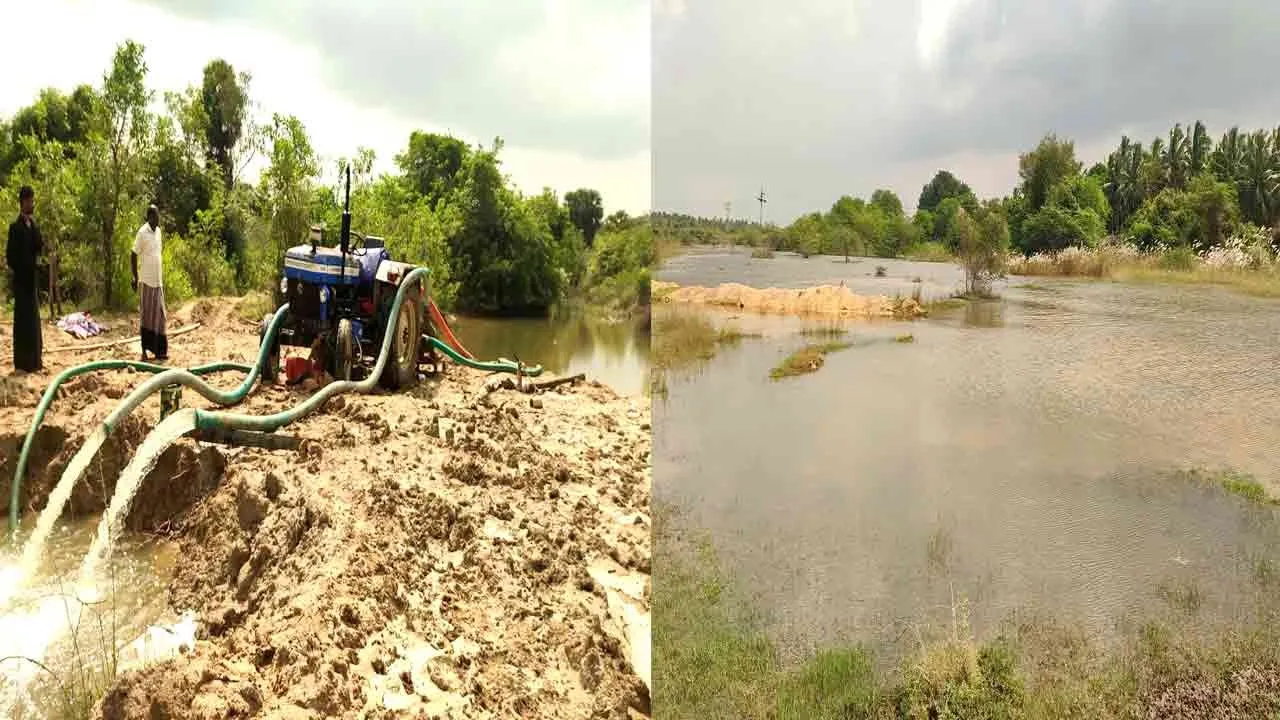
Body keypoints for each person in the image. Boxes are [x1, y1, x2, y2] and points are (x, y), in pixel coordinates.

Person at [6, 186, 44, 373]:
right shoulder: (15, 228)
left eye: (32, 200)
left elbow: (39, 247)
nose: (32, 204)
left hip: (32, 282)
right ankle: (22, 363)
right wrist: (23, 269)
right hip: (21, 283)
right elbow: (10, 257)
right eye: (29, 201)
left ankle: (35, 361)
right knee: (22, 322)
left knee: (33, 321)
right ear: (22, 203)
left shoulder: (33, 225)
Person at [131, 204, 168, 361]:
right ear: (150, 217)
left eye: (159, 215)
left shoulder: (158, 232)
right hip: (146, 282)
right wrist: (134, 277)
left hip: (158, 281)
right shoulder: (142, 232)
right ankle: (144, 352)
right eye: (156, 216)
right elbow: (133, 254)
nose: (159, 218)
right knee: (146, 316)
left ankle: (160, 351)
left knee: (160, 316)